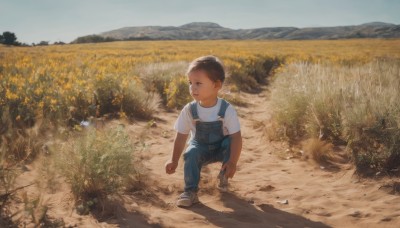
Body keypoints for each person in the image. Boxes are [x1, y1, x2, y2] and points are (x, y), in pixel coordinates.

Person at [165, 55, 242, 207]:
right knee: (191, 152)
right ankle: (190, 192)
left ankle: (223, 176)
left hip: (221, 148)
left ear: (217, 85)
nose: (192, 88)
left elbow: (237, 137)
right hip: (200, 147)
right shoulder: (189, 110)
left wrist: (233, 162)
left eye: (198, 83)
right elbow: (181, 136)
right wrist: (173, 159)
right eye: (190, 83)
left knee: (229, 142)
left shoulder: (226, 109)